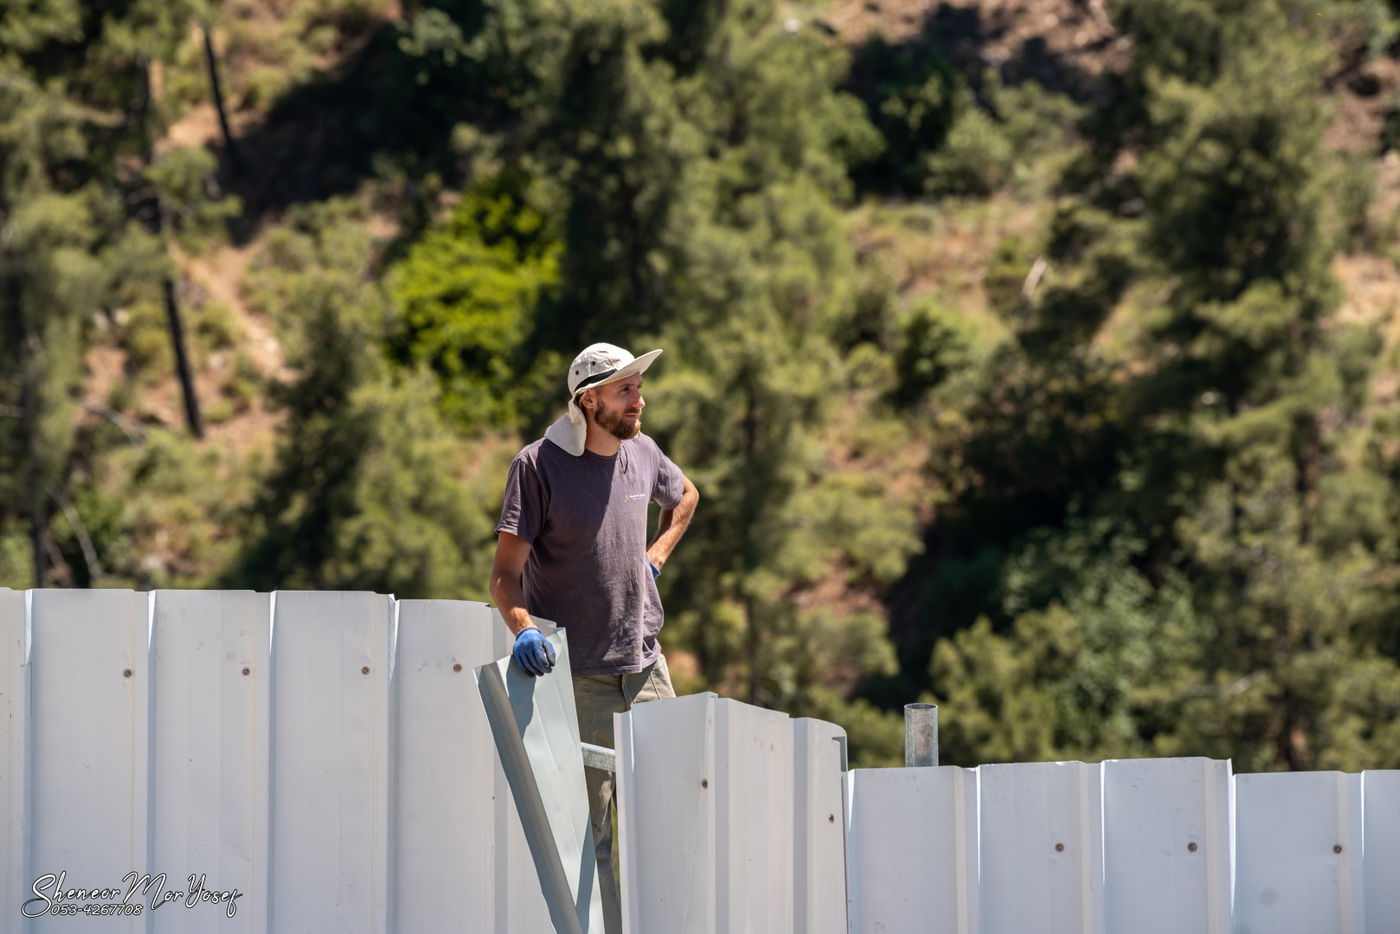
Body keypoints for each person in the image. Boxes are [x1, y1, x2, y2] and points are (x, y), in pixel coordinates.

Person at [489, 341, 699, 931]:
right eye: (626, 389)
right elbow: (504, 577)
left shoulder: (645, 453)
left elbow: (686, 495)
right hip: (580, 680)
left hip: (646, 668)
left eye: (638, 387)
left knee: (672, 812)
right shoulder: (537, 467)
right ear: (590, 400)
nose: (640, 400)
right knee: (598, 837)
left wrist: (655, 555)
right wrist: (524, 630)